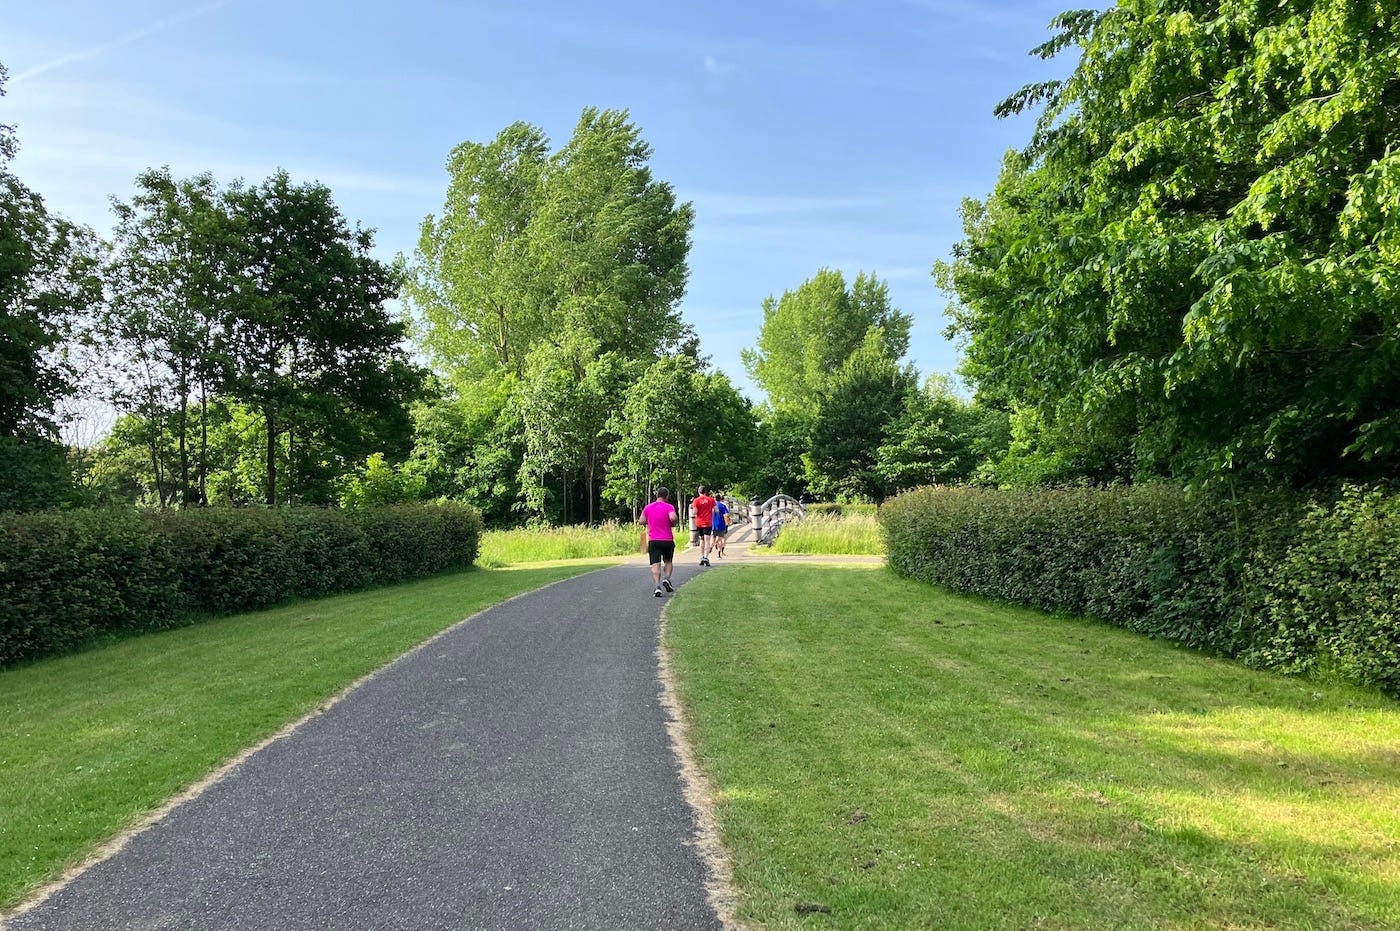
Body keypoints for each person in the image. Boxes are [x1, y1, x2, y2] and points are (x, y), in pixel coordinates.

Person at [640, 487, 679, 597]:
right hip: (667, 539)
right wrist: (673, 523)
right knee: (668, 561)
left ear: (657, 495)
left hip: (654, 540)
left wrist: (651, 521)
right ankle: (667, 579)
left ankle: (657, 586)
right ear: (667, 496)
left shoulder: (648, 507)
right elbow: (673, 518)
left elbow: (641, 521)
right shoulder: (669, 507)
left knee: (655, 564)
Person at [692, 484, 716, 567]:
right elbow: (716, 510)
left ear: (699, 492)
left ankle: (702, 557)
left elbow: (694, 512)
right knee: (707, 540)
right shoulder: (711, 499)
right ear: (705, 492)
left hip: (699, 523)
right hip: (708, 522)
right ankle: (706, 557)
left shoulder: (696, 500)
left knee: (701, 540)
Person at [711, 492, 730, 558]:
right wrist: (728, 521)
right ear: (720, 499)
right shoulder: (723, 505)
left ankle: (712, 545)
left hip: (713, 524)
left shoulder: (712, 506)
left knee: (713, 537)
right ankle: (719, 554)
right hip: (721, 524)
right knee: (720, 539)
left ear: (714, 498)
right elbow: (727, 514)